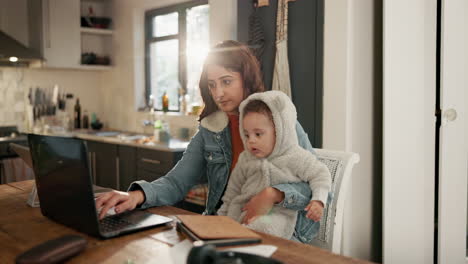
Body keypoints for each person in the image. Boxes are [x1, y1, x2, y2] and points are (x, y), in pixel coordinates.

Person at [95, 40, 324, 243]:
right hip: (224, 230)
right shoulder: (210, 129)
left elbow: (318, 188)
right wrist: (136, 196)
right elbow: (177, 182)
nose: (218, 93)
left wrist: (274, 194)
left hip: (281, 235)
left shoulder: (282, 124)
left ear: (247, 79)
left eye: (226, 81)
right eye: (212, 84)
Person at [217, 91, 331, 239]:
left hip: (278, 217)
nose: (250, 140)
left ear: (279, 131)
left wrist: (318, 201)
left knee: (262, 227)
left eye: (258, 134)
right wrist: (220, 219)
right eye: (246, 134)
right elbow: (232, 192)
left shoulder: (295, 156)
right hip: (244, 211)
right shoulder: (246, 159)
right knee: (225, 231)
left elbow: (320, 174)